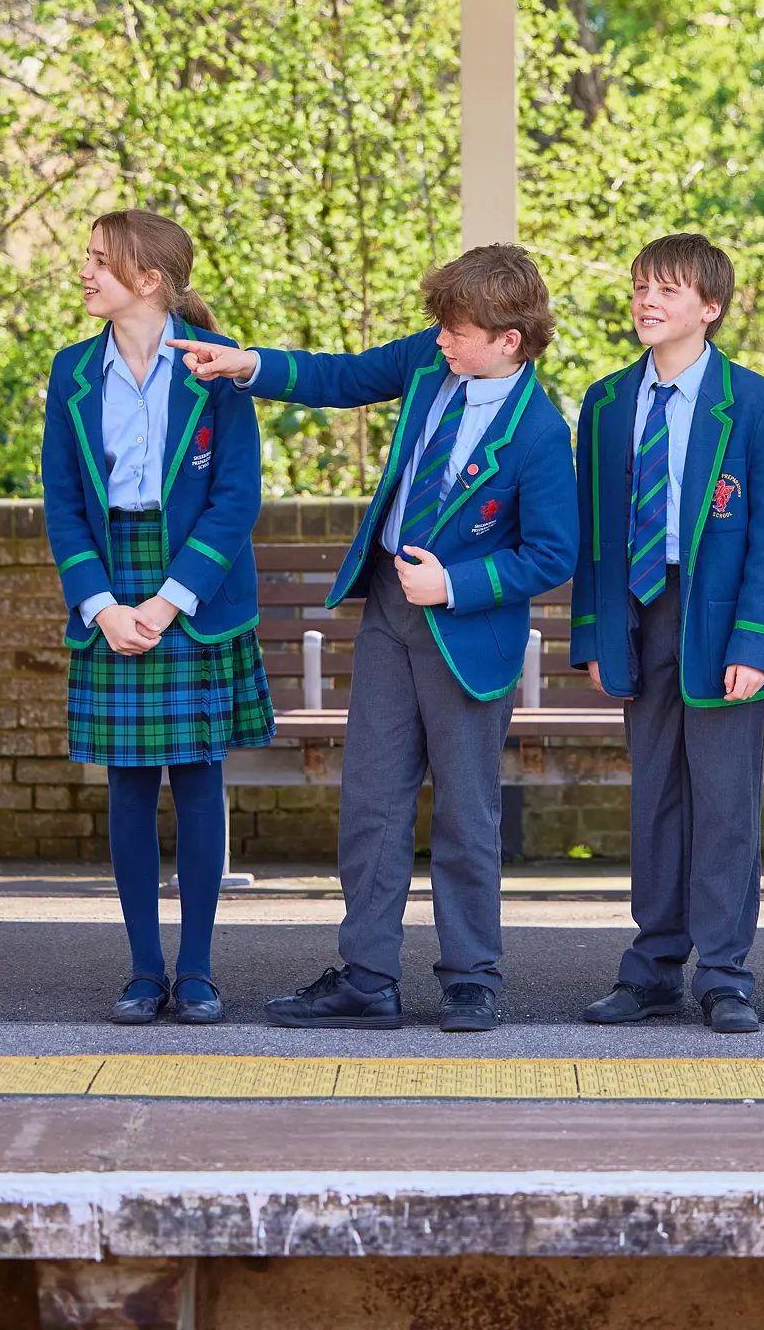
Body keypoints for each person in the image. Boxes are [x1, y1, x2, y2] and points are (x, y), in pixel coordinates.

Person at [171, 243, 577, 1033]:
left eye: (458, 332)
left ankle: (472, 979)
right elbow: (345, 377)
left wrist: (455, 584)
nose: (442, 341)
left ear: (509, 340)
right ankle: (367, 977)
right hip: (390, 610)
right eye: (441, 327)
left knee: (466, 813)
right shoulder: (431, 361)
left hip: (467, 632)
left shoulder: (539, 431)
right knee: (371, 801)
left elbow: (553, 554)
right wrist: (248, 363)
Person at [41, 210, 272, 1027]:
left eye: (101, 261)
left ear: (149, 280)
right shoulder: (71, 373)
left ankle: (198, 971)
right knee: (129, 785)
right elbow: (63, 503)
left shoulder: (215, 364)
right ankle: (144, 972)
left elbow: (235, 498)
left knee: (199, 777)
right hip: (111, 588)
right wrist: (102, 606)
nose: (85, 272)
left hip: (192, 596)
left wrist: (169, 601)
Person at [572, 234, 764, 1034]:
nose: (647, 301)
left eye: (666, 289)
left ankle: (726, 973)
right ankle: (654, 969)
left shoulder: (754, 403)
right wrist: (596, 635)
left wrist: (755, 644)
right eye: (640, 287)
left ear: (710, 308)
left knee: (725, 802)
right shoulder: (605, 403)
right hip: (639, 615)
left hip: (719, 621)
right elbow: (593, 534)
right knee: (655, 797)